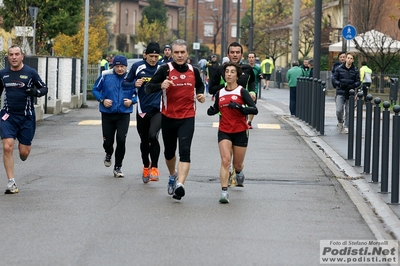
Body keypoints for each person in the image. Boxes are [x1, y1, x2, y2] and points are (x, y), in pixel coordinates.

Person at [145, 39, 205, 200]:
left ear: (187, 54)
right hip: (168, 117)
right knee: (169, 152)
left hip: (187, 117)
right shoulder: (165, 69)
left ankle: (180, 184)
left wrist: (200, 94)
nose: (179, 55)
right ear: (171, 53)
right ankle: (172, 175)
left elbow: (200, 85)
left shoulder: (194, 70)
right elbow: (148, 88)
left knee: (185, 151)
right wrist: (160, 85)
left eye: (182, 52)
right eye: (176, 52)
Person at [207, 62, 258, 203]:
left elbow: (254, 109)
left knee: (237, 165)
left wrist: (241, 108)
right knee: (225, 161)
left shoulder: (242, 91)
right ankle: (224, 192)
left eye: (232, 72)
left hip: (240, 131)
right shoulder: (220, 93)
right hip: (224, 131)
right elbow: (216, 108)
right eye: (227, 72)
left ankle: (239, 173)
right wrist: (211, 111)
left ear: (237, 75)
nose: (229, 74)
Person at [0, 45, 48, 194]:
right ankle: (11, 182)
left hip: (27, 116)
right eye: (11, 54)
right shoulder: (3, 74)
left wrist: (35, 92)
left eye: (16, 54)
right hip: (8, 116)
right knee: (7, 146)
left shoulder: (30, 72)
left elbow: (44, 88)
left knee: (24, 152)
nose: (14, 57)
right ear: (7, 57)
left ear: (22, 56)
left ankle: (23, 152)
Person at [92, 55, 136, 178]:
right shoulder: (105, 75)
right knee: (108, 141)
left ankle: (118, 167)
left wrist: (132, 101)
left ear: (126, 66)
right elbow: (95, 89)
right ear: (113, 66)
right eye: (117, 66)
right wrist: (102, 100)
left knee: (121, 140)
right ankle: (108, 152)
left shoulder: (131, 78)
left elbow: (138, 94)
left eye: (122, 66)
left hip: (123, 114)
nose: (120, 69)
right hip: (107, 114)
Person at [124, 42, 162, 183]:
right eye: (151, 56)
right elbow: (125, 83)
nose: (153, 59)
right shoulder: (137, 67)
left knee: (153, 136)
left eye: (156, 56)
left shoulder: (163, 68)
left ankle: (155, 168)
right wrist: (134, 84)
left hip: (158, 109)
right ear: (145, 55)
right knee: (144, 140)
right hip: (142, 110)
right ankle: (146, 166)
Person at [332, 52, 361, 134]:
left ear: (353, 60)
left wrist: (353, 85)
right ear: (346, 59)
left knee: (349, 111)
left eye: (351, 58)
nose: (349, 60)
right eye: (348, 58)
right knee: (339, 110)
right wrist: (340, 84)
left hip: (350, 93)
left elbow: (358, 81)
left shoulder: (355, 70)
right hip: (340, 92)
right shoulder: (339, 68)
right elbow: (334, 79)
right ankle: (340, 121)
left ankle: (346, 126)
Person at [247, 52, 262, 128]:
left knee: (252, 106)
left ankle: (249, 122)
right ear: (247, 58)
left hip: (254, 89)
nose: (251, 59)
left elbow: (259, 77)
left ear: (255, 58)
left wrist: (260, 77)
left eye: (252, 57)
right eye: (250, 57)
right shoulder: (245, 67)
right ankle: (244, 120)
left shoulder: (257, 68)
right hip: (245, 88)